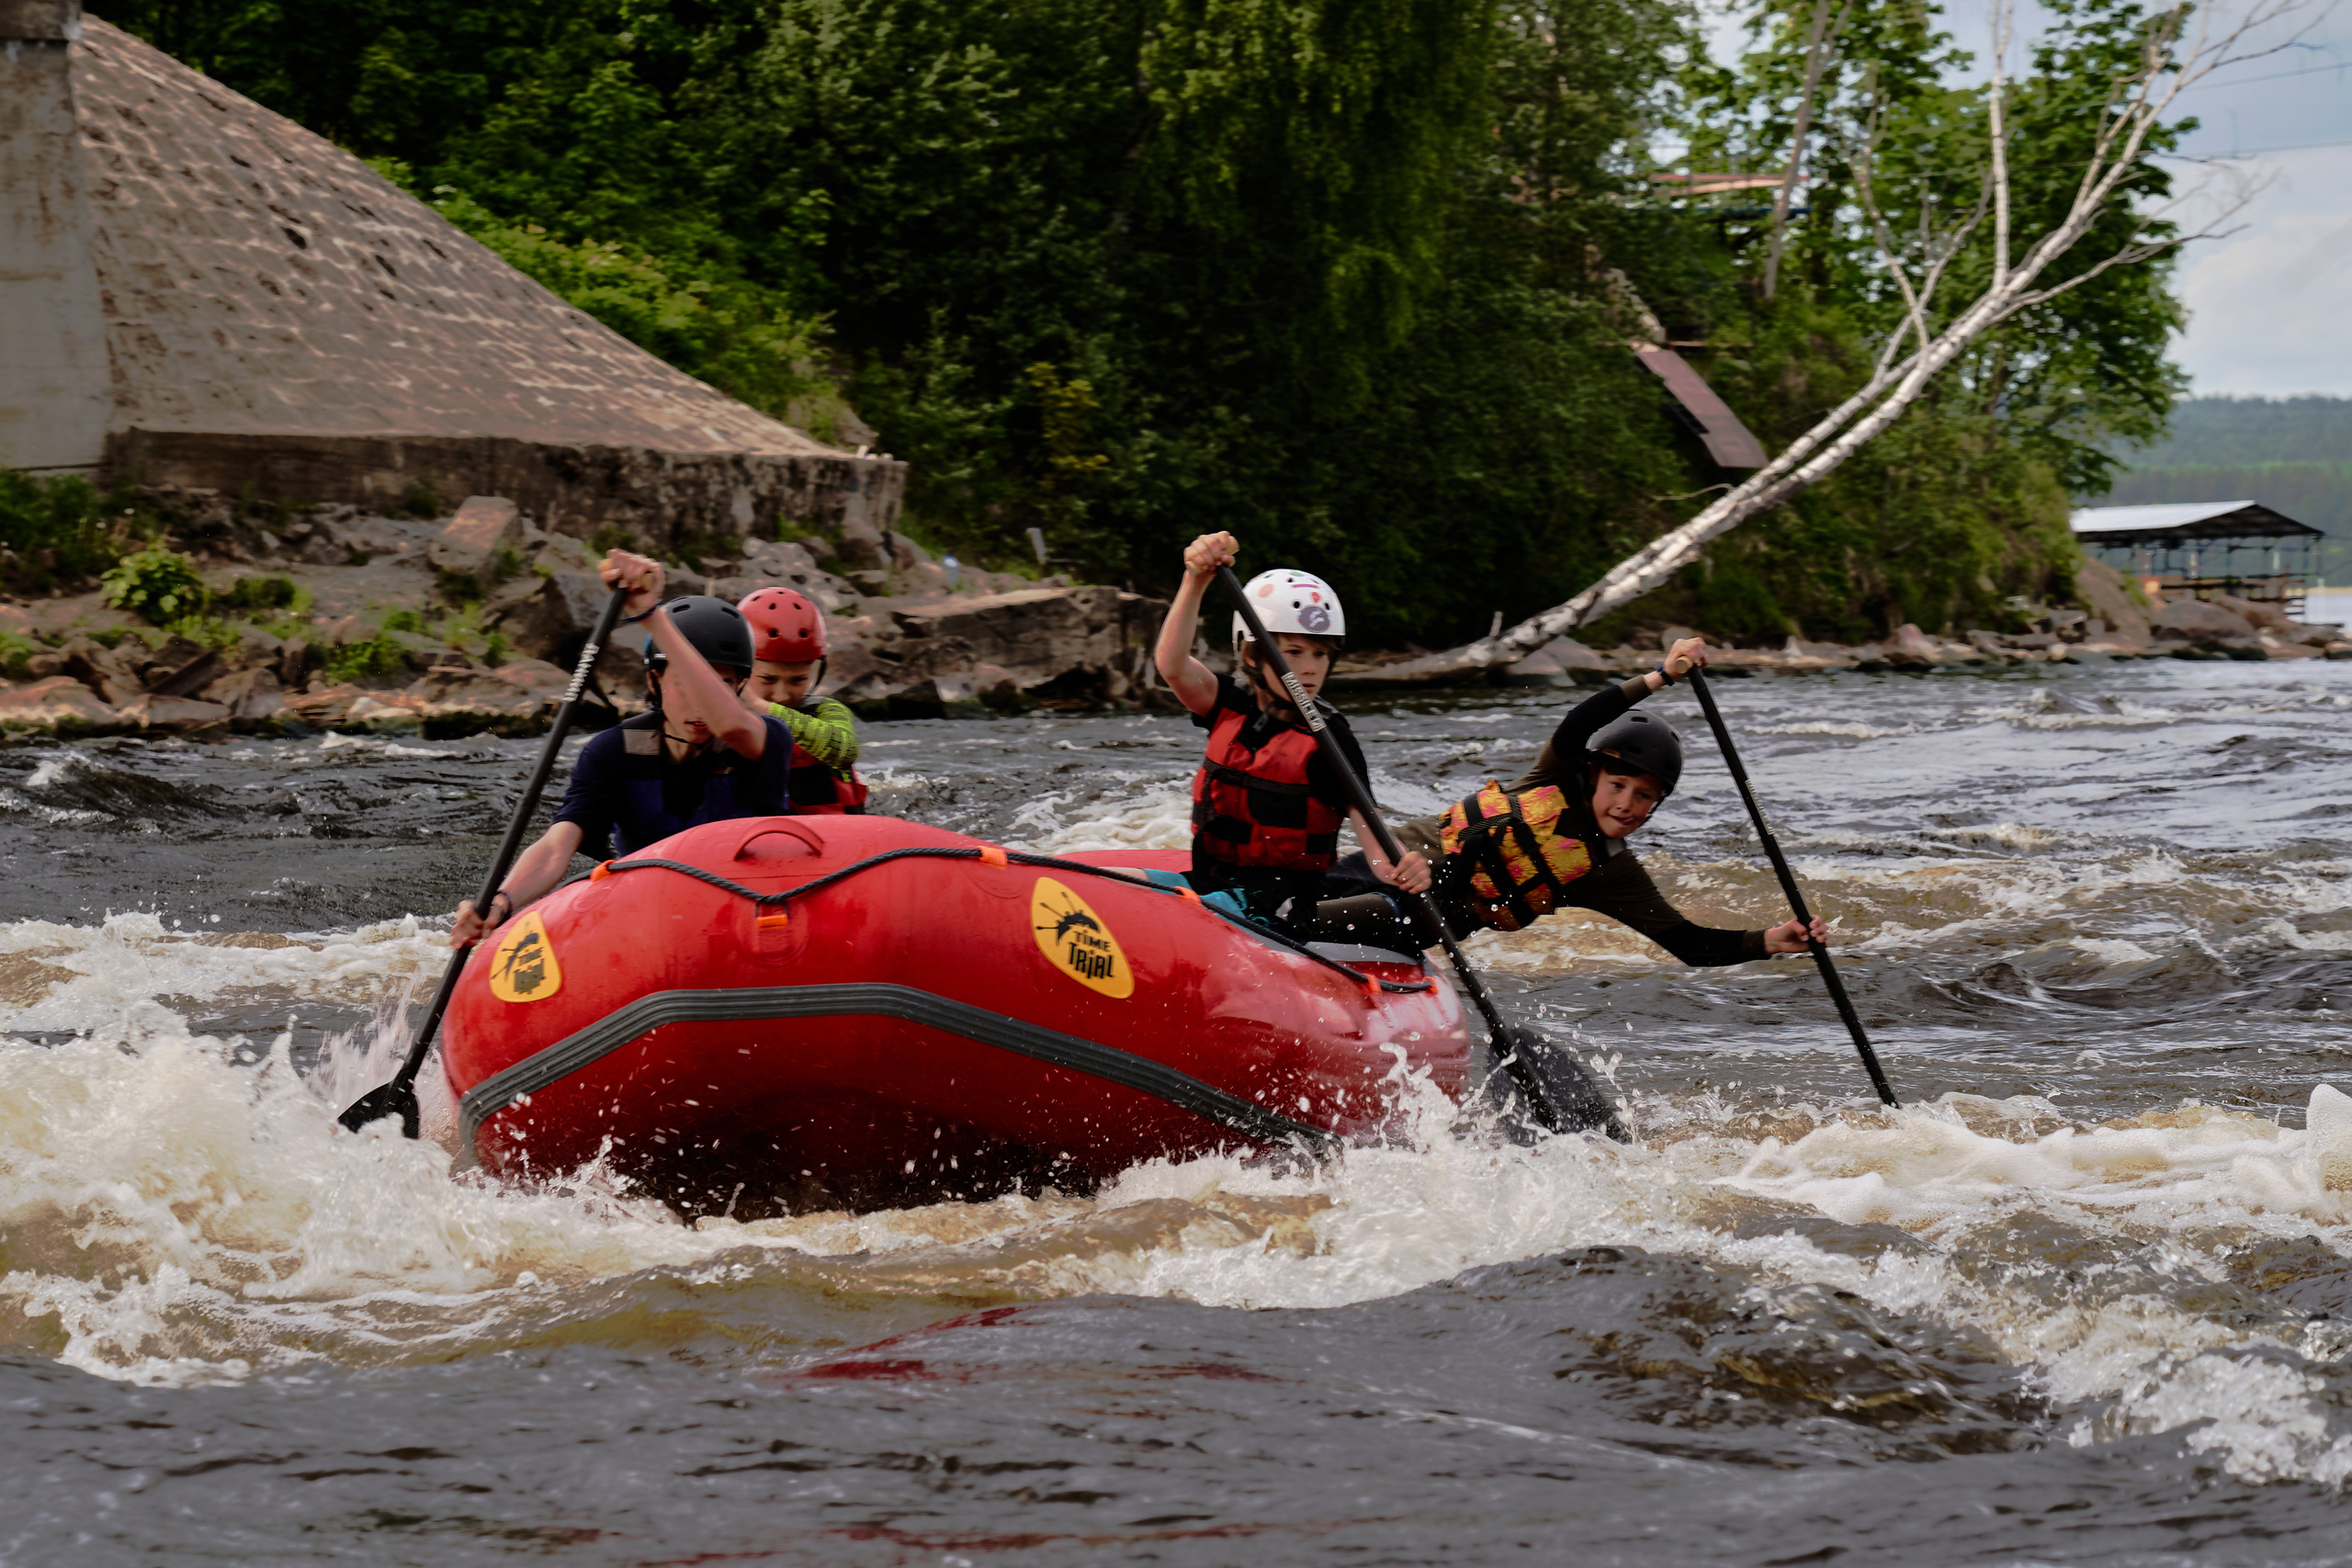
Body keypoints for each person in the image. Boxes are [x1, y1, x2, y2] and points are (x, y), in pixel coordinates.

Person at [1319, 636, 1828, 962]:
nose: (1627, 803)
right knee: (1297, 895)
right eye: (1618, 785)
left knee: (1307, 918)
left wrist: (1768, 941)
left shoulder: (1612, 872)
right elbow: (1581, 719)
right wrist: (1662, 676)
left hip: (1421, 918)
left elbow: (1688, 942)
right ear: (1594, 774)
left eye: (1644, 797)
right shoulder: (1555, 775)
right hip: (1387, 862)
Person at [447, 550, 795, 947]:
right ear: (654, 681)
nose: (701, 703)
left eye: (721, 685)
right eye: (684, 683)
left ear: (739, 689)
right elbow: (556, 846)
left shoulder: (765, 740)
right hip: (655, 922)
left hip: (755, 915)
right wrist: (500, 902)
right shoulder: (613, 751)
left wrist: (651, 614)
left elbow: (730, 723)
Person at [1152, 531, 1429, 931]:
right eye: (1294, 652)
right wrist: (1195, 581)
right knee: (1119, 885)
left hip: (1280, 908)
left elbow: (1375, 842)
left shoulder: (1330, 741)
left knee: (1189, 905)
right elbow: (1172, 665)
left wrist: (1405, 867)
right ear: (1253, 655)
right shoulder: (1228, 704)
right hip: (1209, 883)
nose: (1312, 667)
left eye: (1320, 653)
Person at [737, 586, 867, 814]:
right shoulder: (720, 717)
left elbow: (845, 751)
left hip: (834, 835)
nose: (782, 695)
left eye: (797, 681)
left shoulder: (828, 711)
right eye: (768, 679)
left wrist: (761, 707)